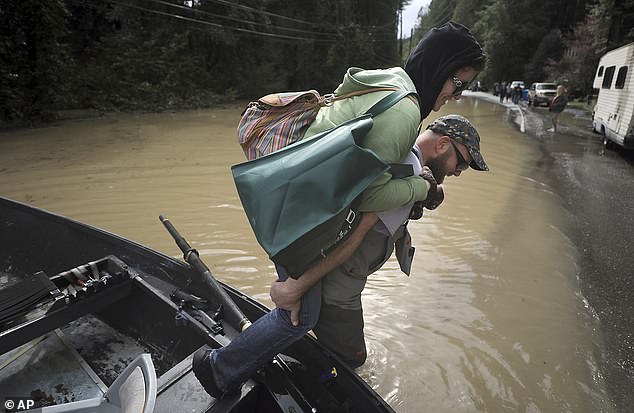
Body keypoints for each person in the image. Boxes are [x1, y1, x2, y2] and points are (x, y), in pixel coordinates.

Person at [193, 21, 487, 398]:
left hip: (296, 193)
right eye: (457, 84)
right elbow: (366, 199)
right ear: (439, 67)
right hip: (301, 209)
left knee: (301, 311)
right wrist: (421, 185)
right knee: (298, 317)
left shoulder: (393, 81)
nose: (456, 95)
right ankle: (217, 369)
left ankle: (231, 364)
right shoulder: (404, 112)